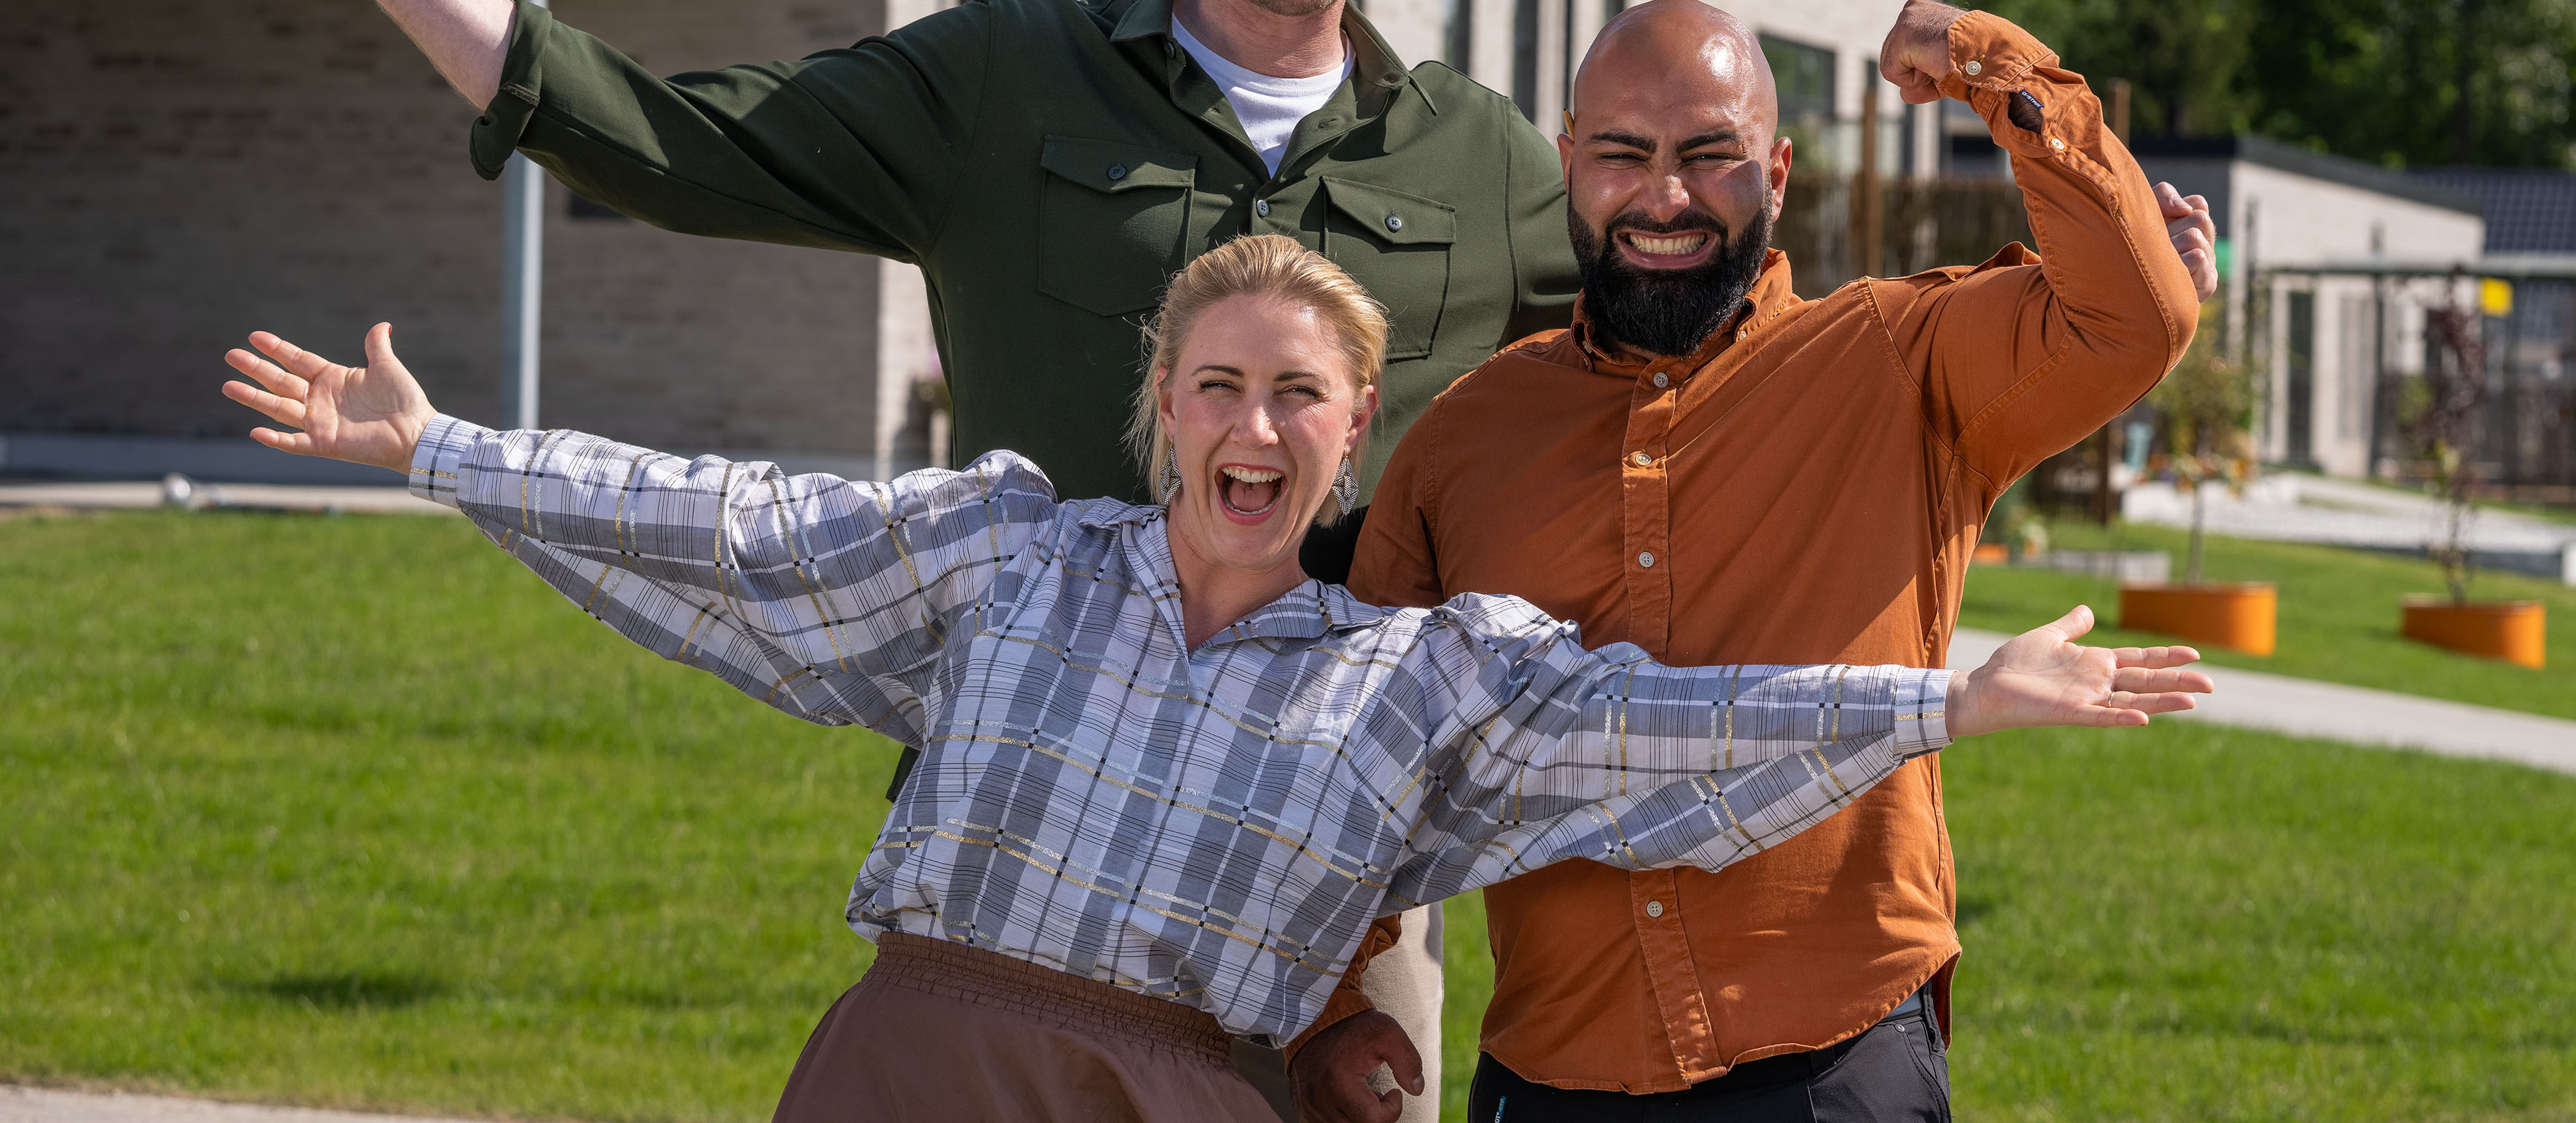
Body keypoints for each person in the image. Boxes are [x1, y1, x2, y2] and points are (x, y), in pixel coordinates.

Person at [251, 0, 1579, 1111]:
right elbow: (682, 143)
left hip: (1329, 895)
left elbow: (1690, 352)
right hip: (1020, 849)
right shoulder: (1015, 79)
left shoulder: (1484, 161)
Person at [218, 234, 2209, 1123]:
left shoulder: (1415, 683)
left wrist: (1947, 699)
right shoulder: (1006, 559)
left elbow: (1661, 734)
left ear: (1355, 443)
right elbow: (739, 528)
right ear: (1164, 409)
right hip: (914, 1075)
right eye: (1222, 384)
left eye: (1305, 397)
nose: (1257, 426)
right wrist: (446, 449)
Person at [1287, 0, 2220, 1120]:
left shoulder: (1899, 362)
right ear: (1570, 162)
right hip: (1553, 1070)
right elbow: (1357, 749)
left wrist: (1984, 59)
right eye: (1623, 154)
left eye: (1709, 157)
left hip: (1835, 1064)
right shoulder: (1469, 437)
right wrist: (1337, 998)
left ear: (1777, 173)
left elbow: (2133, 315)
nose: (1664, 197)